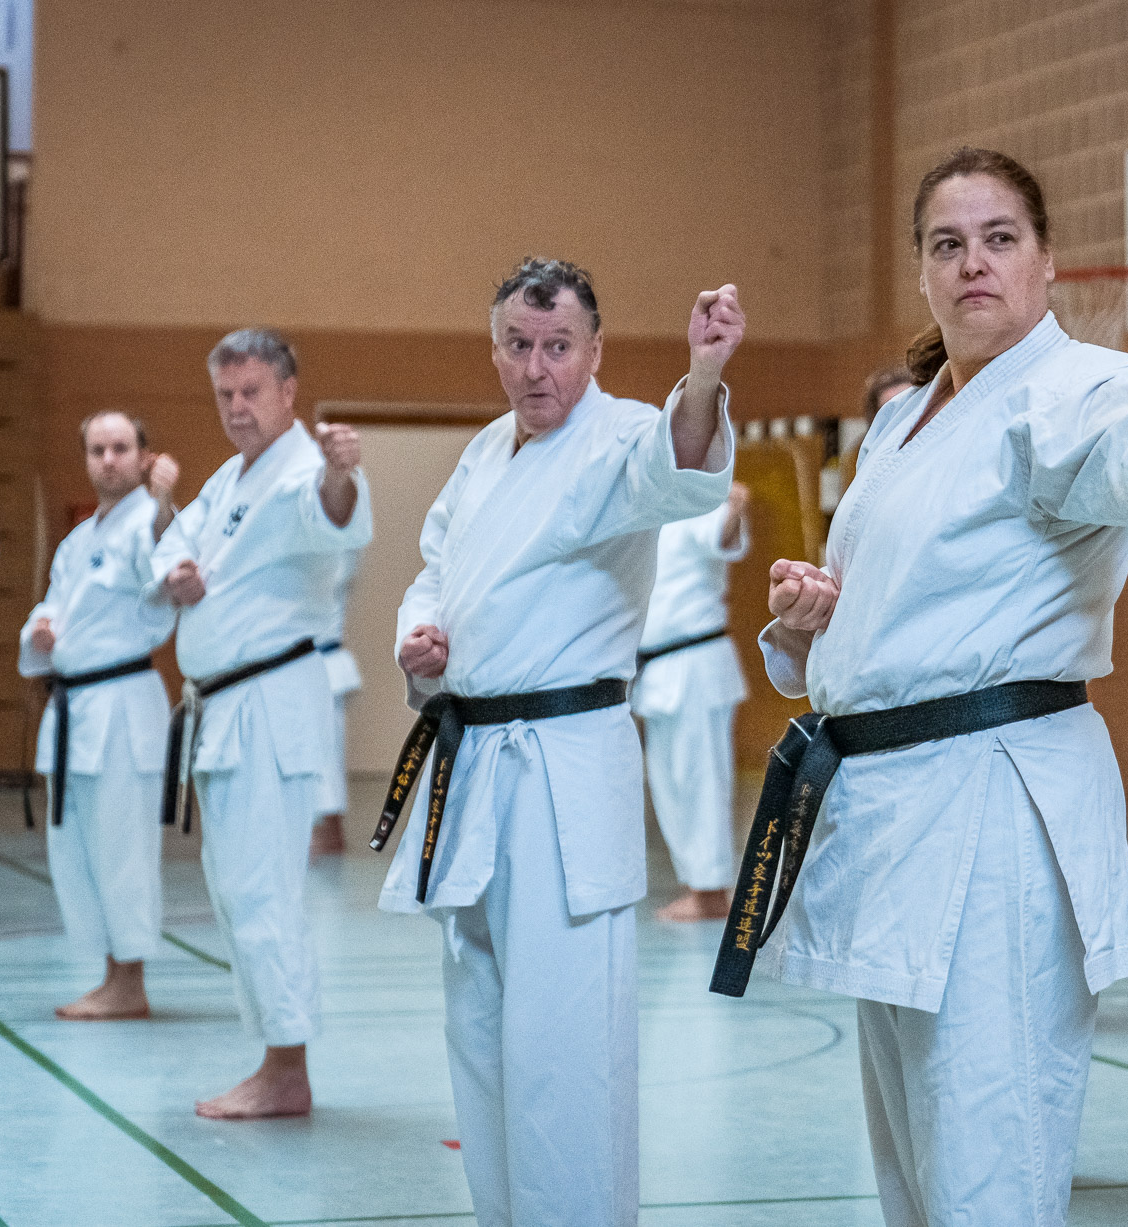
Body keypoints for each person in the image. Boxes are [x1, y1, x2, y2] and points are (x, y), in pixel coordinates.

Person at [729, 147, 1128, 1226]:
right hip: (888, 811)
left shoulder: (1078, 391)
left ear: (1046, 261)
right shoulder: (902, 420)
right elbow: (891, 619)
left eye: (999, 238)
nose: (973, 262)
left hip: (993, 811)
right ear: (922, 274)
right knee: (915, 1174)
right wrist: (809, 623)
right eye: (948, 244)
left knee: (988, 1161)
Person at [376, 258, 738, 1227]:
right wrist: (421, 638)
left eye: (558, 347)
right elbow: (434, 567)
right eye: (519, 346)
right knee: (481, 1030)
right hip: (473, 759)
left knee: (564, 1046)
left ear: (595, 351)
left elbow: (679, 466)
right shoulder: (485, 451)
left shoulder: (622, 436)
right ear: (495, 349)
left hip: (562, 766)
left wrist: (704, 374)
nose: (536, 368)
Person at [152, 329, 371, 1117]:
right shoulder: (230, 476)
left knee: (261, 890)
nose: (238, 407)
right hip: (225, 708)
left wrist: (343, 474)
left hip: (269, 707)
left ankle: (287, 1067)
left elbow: (335, 515)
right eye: (225, 394)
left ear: (287, 391)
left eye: (251, 391)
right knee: (235, 890)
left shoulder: (307, 470)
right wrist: (174, 575)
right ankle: (276, 1056)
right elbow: (176, 542)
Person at [20, 410, 179, 1020]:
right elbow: (54, 607)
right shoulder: (77, 540)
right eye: (97, 450)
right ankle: (110, 973)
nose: (108, 460)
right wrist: (40, 630)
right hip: (74, 706)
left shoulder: (151, 519)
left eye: (120, 448)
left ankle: (130, 981)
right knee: (78, 851)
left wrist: (163, 504)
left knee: (122, 849)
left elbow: (164, 564)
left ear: (144, 456)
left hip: (122, 706)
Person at [631, 481, 751, 922]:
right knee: (672, 785)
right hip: (662, 669)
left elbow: (721, 534)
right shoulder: (651, 518)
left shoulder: (696, 503)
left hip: (694, 665)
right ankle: (699, 885)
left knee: (700, 781)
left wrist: (735, 506)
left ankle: (711, 892)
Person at [310, 548, 363, 855]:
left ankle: (324, 840)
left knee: (324, 777)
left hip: (320, 664)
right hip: (298, 669)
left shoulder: (337, 539)